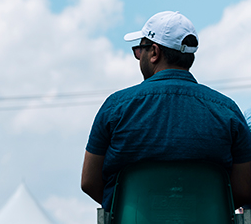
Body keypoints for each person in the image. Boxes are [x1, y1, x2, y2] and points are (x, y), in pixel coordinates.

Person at [81, 11, 251, 210]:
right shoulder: (228, 111)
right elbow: (244, 190)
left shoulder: (115, 107)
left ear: (154, 52)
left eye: (139, 50)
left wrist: (127, 209)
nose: (138, 56)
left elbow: (88, 182)